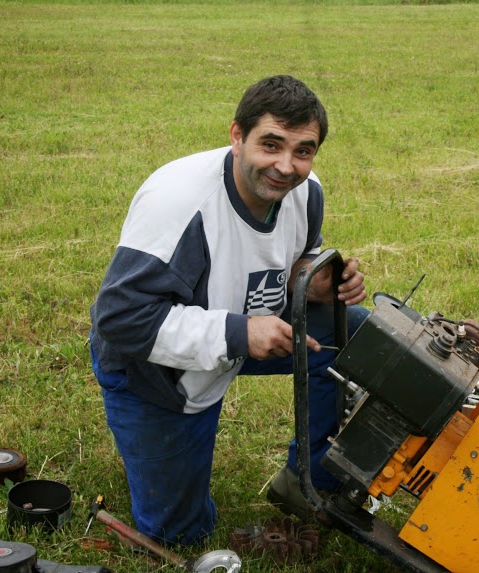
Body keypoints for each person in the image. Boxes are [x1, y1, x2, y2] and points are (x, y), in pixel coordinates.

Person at [89, 75, 368, 545]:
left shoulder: (306, 190)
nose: (286, 165)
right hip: (155, 374)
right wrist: (240, 334)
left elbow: (289, 260)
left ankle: (312, 480)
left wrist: (313, 282)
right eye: (271, 144)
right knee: (180, 535)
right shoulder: (179, 204)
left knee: (358, 337)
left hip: (239, 328)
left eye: (303, 150)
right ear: (237, 136)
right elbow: (119, 319)